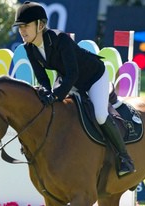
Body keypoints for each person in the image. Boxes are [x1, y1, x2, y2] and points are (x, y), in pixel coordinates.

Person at [13, 1, 135, 177]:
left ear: (40, 25)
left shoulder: (61, 39)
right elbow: (42, 76)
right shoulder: (29, 48)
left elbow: (73, 73)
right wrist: (47, 92)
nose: (22, 31)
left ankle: (125, 157)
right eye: (19, 27)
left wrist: (56, 95)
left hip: (93, 77)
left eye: (26, 26)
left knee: (100, 115)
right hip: (68, 79)